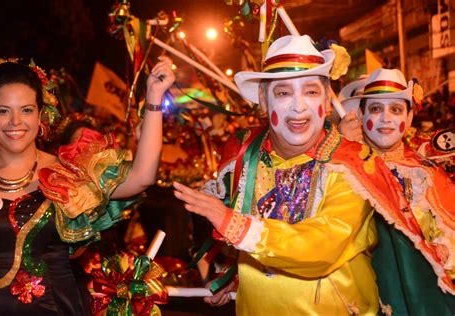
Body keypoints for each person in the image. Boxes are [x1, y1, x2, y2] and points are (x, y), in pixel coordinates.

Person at [173, 35, 411, 315]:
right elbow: (251, 246)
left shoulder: (353, 163)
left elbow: (321, 246)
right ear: (264, 100)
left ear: (325, 96)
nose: (299, 107)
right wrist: (235, 276)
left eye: (310, 92)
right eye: (284, 93)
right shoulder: (244, 155)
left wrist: (234, 224)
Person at [0, 56, 174, 314]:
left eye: (26, 110)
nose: (15, 121)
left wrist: (154, 97)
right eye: (3, 110)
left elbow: (142, 177)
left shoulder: (69, 170)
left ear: (41, 116)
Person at [339, 68, 455, 315]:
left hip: (420, 298)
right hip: (358, 298)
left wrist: (442, 250)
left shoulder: (426, 172)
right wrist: (342, 150)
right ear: (360, 114)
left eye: (396, 110)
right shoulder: (343, 167)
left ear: (410, 117)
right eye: (376, 109)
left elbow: (450, 228)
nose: (386, 119)